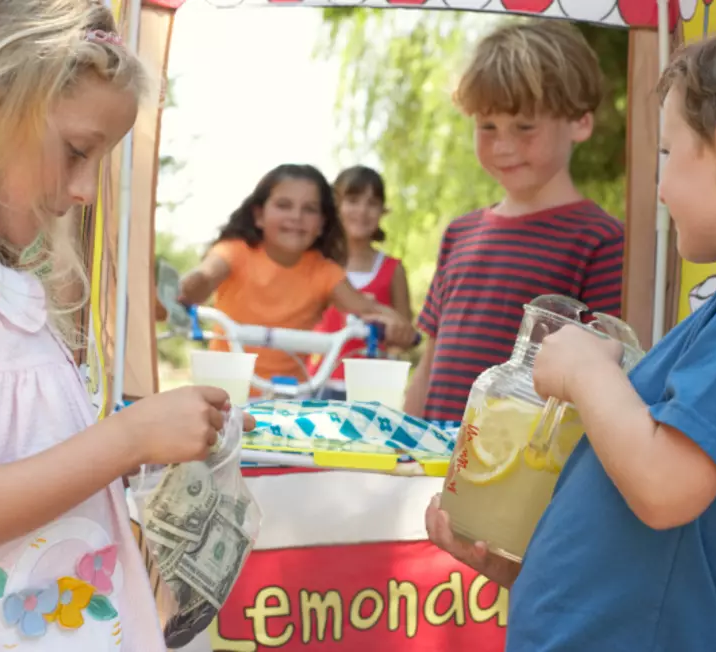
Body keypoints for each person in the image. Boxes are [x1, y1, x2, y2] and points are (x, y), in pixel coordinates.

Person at [0, 1, 254, 649]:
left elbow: (19, 460)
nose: (86, 190)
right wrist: (128, 438)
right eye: (76, 152)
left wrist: (155, 444)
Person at [428, 11, 716, 651]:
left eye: (666, 154)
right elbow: (653, 540)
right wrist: (527, 570)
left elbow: (665, 487)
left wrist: (590, 372)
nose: (659, 186)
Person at [403, 20, 625, 425]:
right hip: (431, 467)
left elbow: (605, 379)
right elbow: (431, 361)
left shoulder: (602, 240)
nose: (503, 146)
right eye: (487, 127)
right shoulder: (459, 233)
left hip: (519, 473)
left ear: (580, 122)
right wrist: (402, 439)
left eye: (525, 127)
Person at [178, 164, 416, 389]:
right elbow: (205, 277)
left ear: (322, 224)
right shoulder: (234, 252)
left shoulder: (324, 272)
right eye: (284, 205)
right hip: (224, 389)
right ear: (259, 215)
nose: (296, 216)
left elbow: (366, 308)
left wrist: (398, 326)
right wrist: (189, 287)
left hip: (287, 399)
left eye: (309, 209)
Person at [308, 166, 413, 400]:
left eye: (372, 203)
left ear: (382, 210)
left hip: (370, 388)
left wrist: (396, 335)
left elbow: (405, 334)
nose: (362, 211)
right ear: (336, 207)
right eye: (353, 201)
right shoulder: (317, 264)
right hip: (317, 381)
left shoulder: (392, 269)